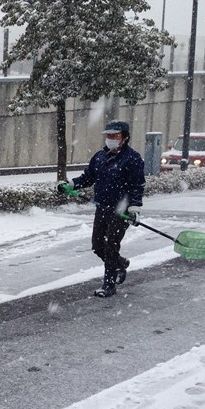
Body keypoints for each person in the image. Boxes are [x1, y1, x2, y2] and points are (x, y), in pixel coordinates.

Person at [58, 120, 145, 298]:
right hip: (102, 208)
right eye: (109, 136)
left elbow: (137, 185)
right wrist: (72, 184)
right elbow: (88, 177)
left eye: (115, 135)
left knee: (111, 245)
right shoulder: (100, 157)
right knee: (98, 247)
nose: (111, 139)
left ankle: (109, 284)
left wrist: (134, 208)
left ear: (125, 138)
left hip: (121, 211)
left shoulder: (132, 159)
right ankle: (120, 264)